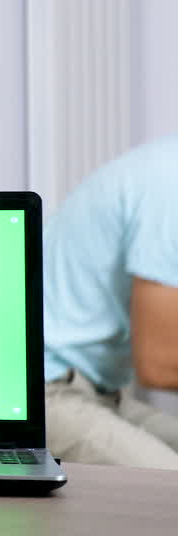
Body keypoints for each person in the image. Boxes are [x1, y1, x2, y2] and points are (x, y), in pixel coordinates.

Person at [44, 134, 178, 469]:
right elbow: (160, 365)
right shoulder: (169, 184)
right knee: (168, 491)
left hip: (102, 393)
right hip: (44, 392)